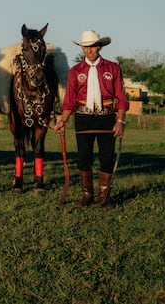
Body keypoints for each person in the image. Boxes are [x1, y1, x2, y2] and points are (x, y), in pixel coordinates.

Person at [54, 30, 128, 210]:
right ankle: (87, 195)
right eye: (86, 47)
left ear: (99, 47)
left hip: (107, 118)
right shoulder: (75, 71)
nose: (89, 51)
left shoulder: (113, 68)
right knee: (84, 158)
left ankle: (104, 197)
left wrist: (120, 121)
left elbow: (121, 97)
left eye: (93, 47)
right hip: (83, 119)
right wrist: (62, 120)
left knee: (107, 158)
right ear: (82, 48)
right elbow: (69, 100)